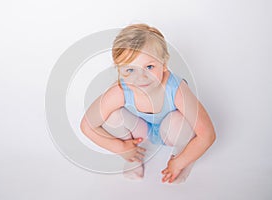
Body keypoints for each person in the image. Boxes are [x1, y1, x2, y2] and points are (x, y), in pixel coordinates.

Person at [80, 23, 216, 184]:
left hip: (171, 130)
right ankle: (135, 155)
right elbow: (87, 125)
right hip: (142, 132)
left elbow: (207, 135)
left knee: (178, 122)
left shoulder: (176, 89)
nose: (140, 78)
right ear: (119, 69)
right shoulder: (120, 91)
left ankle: (183, 155)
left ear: (164, 64)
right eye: (130, 70)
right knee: (113, 116)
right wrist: (120, 148)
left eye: (149, 67)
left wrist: (178, 162)